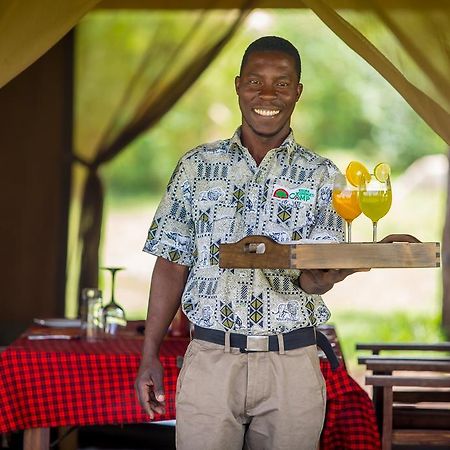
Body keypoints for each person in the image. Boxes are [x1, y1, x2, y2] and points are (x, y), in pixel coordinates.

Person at [135, 36, 416, 450]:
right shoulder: (196, 167)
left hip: (292, 364)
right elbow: (171, 264)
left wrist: (346, 267)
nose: (267, 94)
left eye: (282, 83)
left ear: (298, 92)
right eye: (255, 81)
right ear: (237, 85)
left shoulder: (322, 176)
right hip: (212, 358)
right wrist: (149, 355)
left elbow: (315, 280)